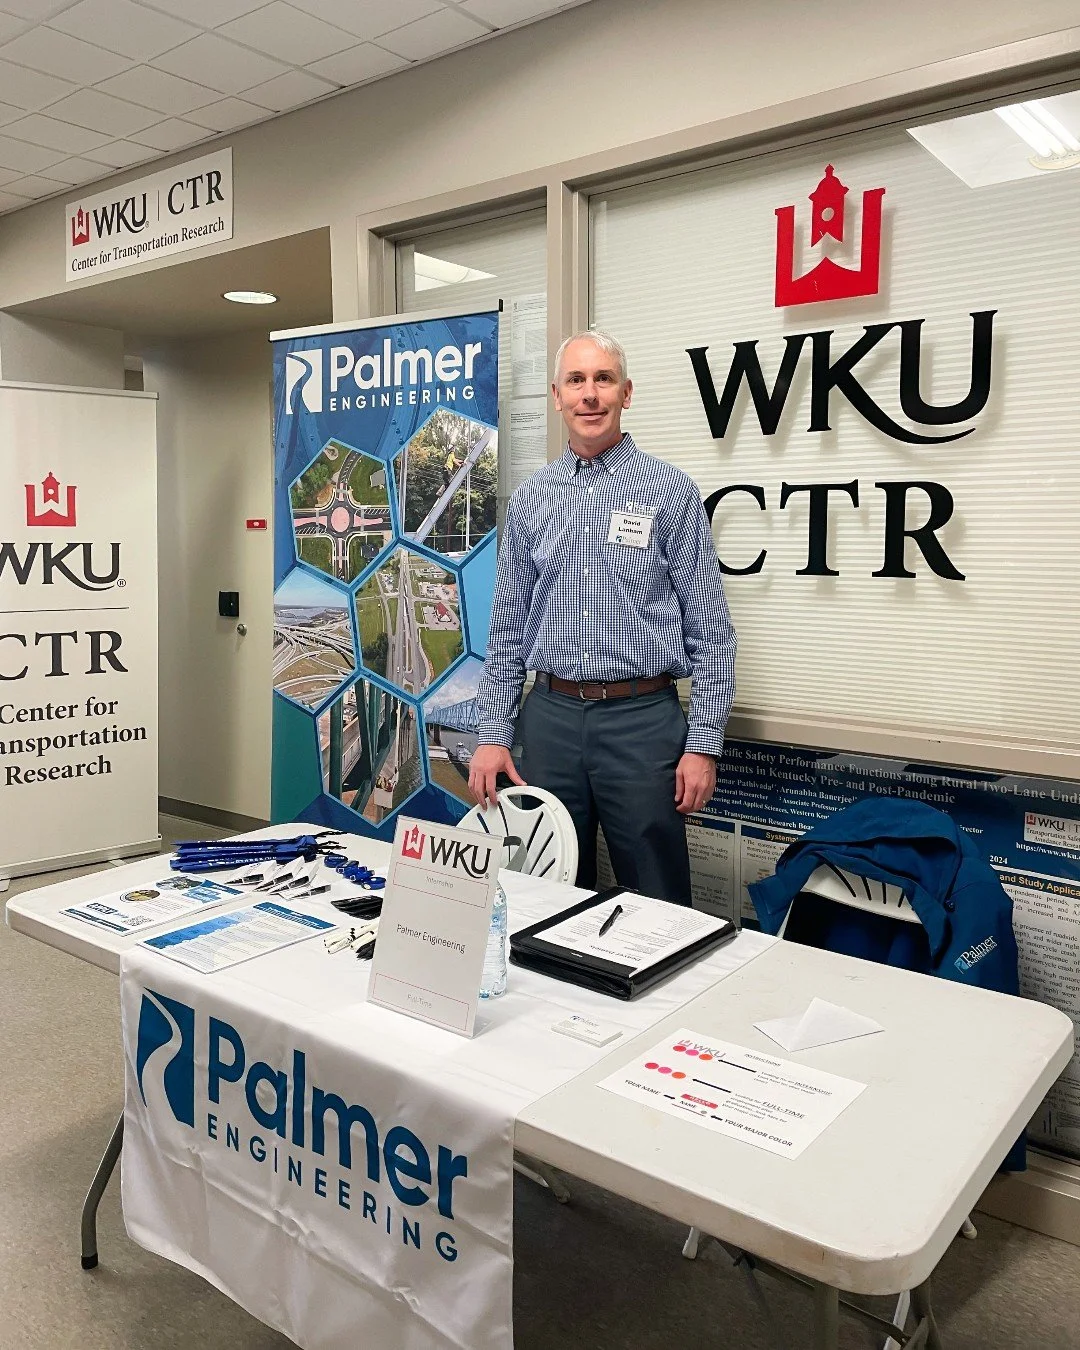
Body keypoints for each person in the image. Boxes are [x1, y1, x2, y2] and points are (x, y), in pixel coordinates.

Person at [469, 330, 735, 906]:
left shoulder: (670, 492)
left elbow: (711, 630)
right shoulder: (531, 499)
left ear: (626, 393)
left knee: (656, 894)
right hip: (549, 720)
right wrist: (493, 735)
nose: (590, 395)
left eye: (603, 379)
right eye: (576, 381)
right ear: (558, 396)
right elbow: (508, 627)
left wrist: (704, 744)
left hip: (641, 723)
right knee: (540, 886)